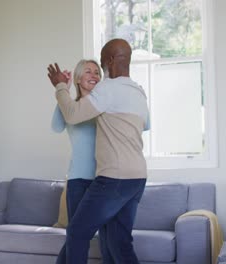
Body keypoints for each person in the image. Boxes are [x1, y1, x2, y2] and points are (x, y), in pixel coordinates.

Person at [47, 38, 150, 264]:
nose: (98, 72)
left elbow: (73, 114)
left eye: (101, 65)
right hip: (137, 177)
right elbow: (146, 124)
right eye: (89, 71)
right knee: (118, 240)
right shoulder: (139, 91)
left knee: (77, 232)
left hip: (114, 177)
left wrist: (59, 86)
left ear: (110, 60)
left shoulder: (107, 89)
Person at [51, 59, 102, 264]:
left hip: (103, 179)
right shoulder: (71, 107)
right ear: (79, 78)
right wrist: (64, 91)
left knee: (81, 234)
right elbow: (56, 127)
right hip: (78, 181)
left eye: (97, 72)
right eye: (88, 71)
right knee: (76, 234)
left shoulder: (104, 107)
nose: (94, 75)